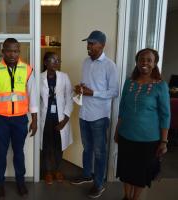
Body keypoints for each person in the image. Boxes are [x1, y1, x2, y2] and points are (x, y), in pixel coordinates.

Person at [0, 38, 37, 199]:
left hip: (20, 119)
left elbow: (32, 96)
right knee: (1, 152)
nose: (12, 54)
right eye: (9, 50)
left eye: (15, 51)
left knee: (19, 152)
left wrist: (34, 120)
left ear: (19, 52)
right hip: (0, 120)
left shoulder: (27, 70)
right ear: (3, 51)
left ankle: (20, 182)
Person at [114, 48, 170, 200]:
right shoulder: (129, 82)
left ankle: (135, 198)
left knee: (141, 173)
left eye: (149, 60)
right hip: (126, 135)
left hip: (148, 140)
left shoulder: (161, 86)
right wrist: (117, 130)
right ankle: (126, 196)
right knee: (126, 171)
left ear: (154, 63)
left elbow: (165, 115)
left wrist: (164, 141)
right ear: (137, 62)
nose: (144, 63)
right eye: (141, 60)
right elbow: (123, 108)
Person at [70, 30, 119, 198]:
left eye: (92, 43)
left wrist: (93, 93)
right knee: (87, 149)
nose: (88, 46)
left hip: (99, 116)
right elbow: (88, 85)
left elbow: (114, 92)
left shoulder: (110, 65)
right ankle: (86, 175)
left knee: (99, 152)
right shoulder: (85, 62)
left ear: (102, 45)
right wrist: (80, 88)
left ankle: (99, 184)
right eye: (88, 43)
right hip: (84, 114)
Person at [40, 52, 73, 185]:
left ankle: (57, 170)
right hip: (45, 118)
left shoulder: (64, 77)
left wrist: (65, 120)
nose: (56, 62)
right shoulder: (39, 78)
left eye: (58, 60)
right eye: (52, 60)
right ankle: (48, 172)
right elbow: (36, 100)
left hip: (60, 118)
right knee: (46, 146)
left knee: (59, 147)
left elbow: (69, 98)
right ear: (45, 62)